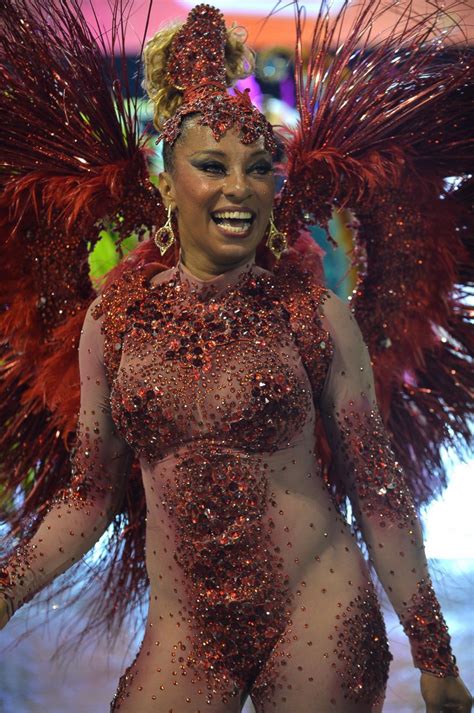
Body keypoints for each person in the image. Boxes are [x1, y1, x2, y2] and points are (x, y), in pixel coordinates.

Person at [0, 4, 472, 712]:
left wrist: (434, 653)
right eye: (212, 166)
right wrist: (6, 589)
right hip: (185, 631)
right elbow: (89, 496)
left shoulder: (314, 316)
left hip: (320, 609)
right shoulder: (116, 323)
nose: (239, 188)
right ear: (165, 187)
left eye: (257, 170)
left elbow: (376, 489)